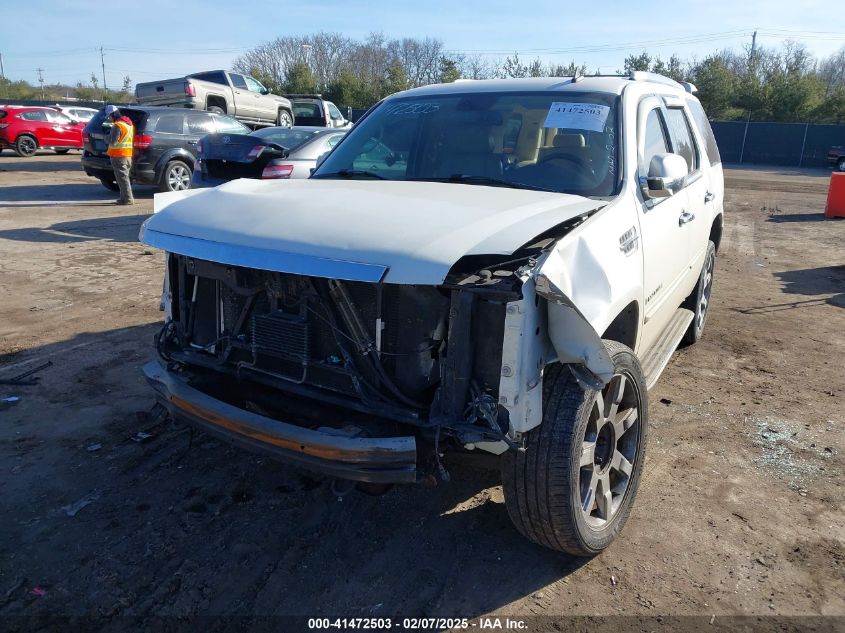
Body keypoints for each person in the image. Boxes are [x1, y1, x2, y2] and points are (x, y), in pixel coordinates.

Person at [104, 105, 134, 205]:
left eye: (110, 116)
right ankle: (124, 199)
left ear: (113, 114)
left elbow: (113, 142)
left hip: (119, 156)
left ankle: (128, 199)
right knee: (124, 178)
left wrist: (106, 137)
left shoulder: (117, 125)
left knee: (122, 179)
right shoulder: (129, 124)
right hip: (127, 155)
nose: (110, 118)